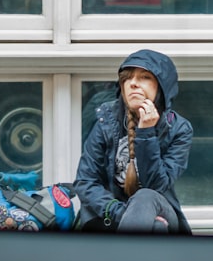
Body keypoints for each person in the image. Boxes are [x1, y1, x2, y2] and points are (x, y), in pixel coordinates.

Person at [74, 49, 193, 234]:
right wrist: (123, 213)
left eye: (144, 77)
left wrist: (146, 133)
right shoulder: (107, 121)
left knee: (146, 197)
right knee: (156, 228)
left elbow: (156, 187)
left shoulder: (178, 129)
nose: (133, 84)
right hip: (110, 214)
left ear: (161, 87)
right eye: (127, 78)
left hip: (160, 208)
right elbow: (86, 181)